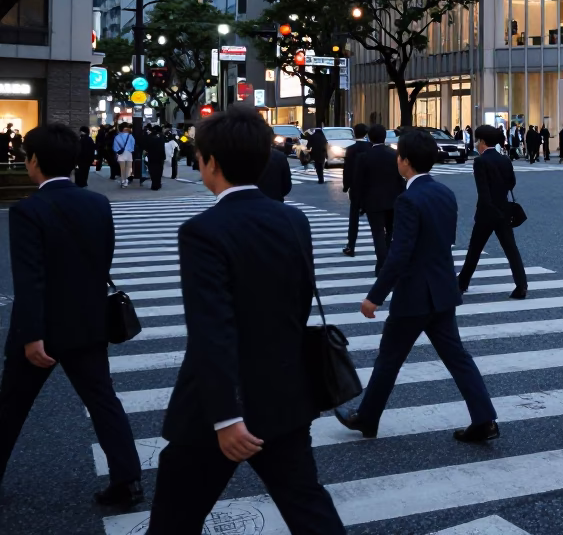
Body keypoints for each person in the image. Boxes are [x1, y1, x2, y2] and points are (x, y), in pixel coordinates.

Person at [144, 107, 346, 534]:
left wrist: (225, 416)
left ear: (211, 162)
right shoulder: (293, 218)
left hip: (217, 408)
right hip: (287, 392)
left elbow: (211, 329)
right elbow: (297, 302)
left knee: (175, 517)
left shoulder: (203, 230)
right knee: (307, 504)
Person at [0, 123, 143, 507]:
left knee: (11, 407)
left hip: (42, 329)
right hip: (88, 322)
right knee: (103, 401)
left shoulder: (27, 210)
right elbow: (102, 261)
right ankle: (127, 480)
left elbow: (30, 281)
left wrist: (31, 335)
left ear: (33, 161)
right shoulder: (97, 203)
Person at [334, 130, 500, 444]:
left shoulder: (409, 200)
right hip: (442, 289)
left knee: (389, 358)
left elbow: (399, 254)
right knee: (457, 357)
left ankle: (367, 418)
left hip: (414, 295)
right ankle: (485, 418)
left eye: (399, 157)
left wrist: (374, 297)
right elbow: (445, 241)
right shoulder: (444, 193)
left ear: (405, 162)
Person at [458, 124, 528, 299]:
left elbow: (482, 191)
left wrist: (487, 208)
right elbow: (511, 183)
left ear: (482, 141)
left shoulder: (480, 161)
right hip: (504, 210)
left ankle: (461, 284)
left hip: (486, 213)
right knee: (511, 249)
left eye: (477, 140)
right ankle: (521, 285)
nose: (475, 143)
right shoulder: (505, 159)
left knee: (474, 250)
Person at [356, 124, 407, 275]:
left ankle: (382, 264)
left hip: (373, 201)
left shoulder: (364, 157)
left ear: (369, 138)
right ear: (384, 137)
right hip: (393, 199)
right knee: (391, 231)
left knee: (377, 233)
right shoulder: (395, 155)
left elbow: (359, 182)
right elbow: (401, 178)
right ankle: (388, 262)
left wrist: (360, 203)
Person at [341, 123, 371, 256]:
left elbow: (347, 169)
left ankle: (351, 245)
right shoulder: (371, 148)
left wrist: (346, 185)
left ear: (354, 133)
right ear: (366, 134)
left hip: (355, 186)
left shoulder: (351, 149)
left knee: (354, 218)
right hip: (370, 187)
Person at [113, 123, 134, 188]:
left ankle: (123, 181)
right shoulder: (130, 136)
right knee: (128, 168)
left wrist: (118, 151)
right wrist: (130, 150)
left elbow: (115, 147)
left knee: (122, 169)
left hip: (121, 154)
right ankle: (126, 181)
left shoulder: (117, 137)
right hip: (129, 153)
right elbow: (133, 144)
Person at [145, 125, 166, 191]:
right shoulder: (161, 136)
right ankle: (158, 183)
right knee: (159, 170)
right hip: (160, 155)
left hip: (151, 155)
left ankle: (154, 184)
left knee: (152, 170)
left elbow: (147, 146)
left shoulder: (149, 136)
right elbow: (163, 146)